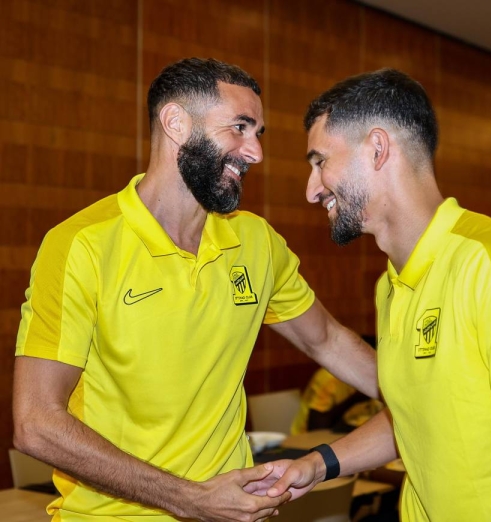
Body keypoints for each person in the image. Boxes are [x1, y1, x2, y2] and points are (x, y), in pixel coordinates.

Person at [12, 58, 378, 522]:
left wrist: (420, 393)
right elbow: (36, 424)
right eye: (240, 128)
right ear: (176, 123)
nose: (255, 153)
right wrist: (189, 498)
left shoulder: (256, 242)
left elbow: (325, 339)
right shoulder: (82, 244)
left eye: (258, 133)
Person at [259, 69, 491, 521]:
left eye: (319, 161)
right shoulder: (390, 286)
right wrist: (319, 463)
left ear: (376, 148)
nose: (311, 189)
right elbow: (415, 418)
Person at [290, 334, 381, 434]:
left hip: (346, 434)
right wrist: (355, 399)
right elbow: (316, 426)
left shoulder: (380, 378)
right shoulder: (329, 378)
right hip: (306, 440)